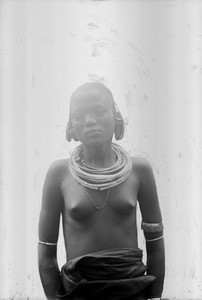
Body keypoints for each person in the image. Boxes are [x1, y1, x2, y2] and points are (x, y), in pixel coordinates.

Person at [38, 82, 165, 300]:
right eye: (79, 115)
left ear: (115, 116)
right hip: (79, 292)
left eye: (98, 111)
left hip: (131, 291)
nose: (89, 121)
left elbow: (156, 246)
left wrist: (154, 297)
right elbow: (46, 252)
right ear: (71, 125)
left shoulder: (140, 170)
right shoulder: (59, 173)